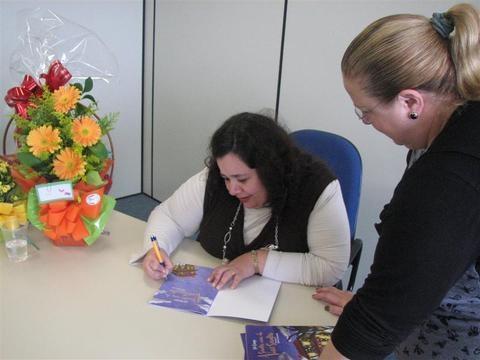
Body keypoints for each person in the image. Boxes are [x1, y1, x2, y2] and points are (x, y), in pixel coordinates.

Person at [315, 3, 480, 360]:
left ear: (410, 102)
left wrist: (380, 313)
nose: (367, 122)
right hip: (429, 318)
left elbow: (371, 332)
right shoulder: (444, 129)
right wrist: (386, 301)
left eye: (367, 111)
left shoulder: (448, 181)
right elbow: (426, 261)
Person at [141, 112, 350, 289]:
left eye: (242, 179)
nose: (232, 189)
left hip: (289, 301)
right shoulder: (215, 177)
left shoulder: (317, 187)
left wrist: (254, 261)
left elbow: (329, 267)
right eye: (226, 178)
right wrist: (157, 249)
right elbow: (170, 217)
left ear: (271, 169)